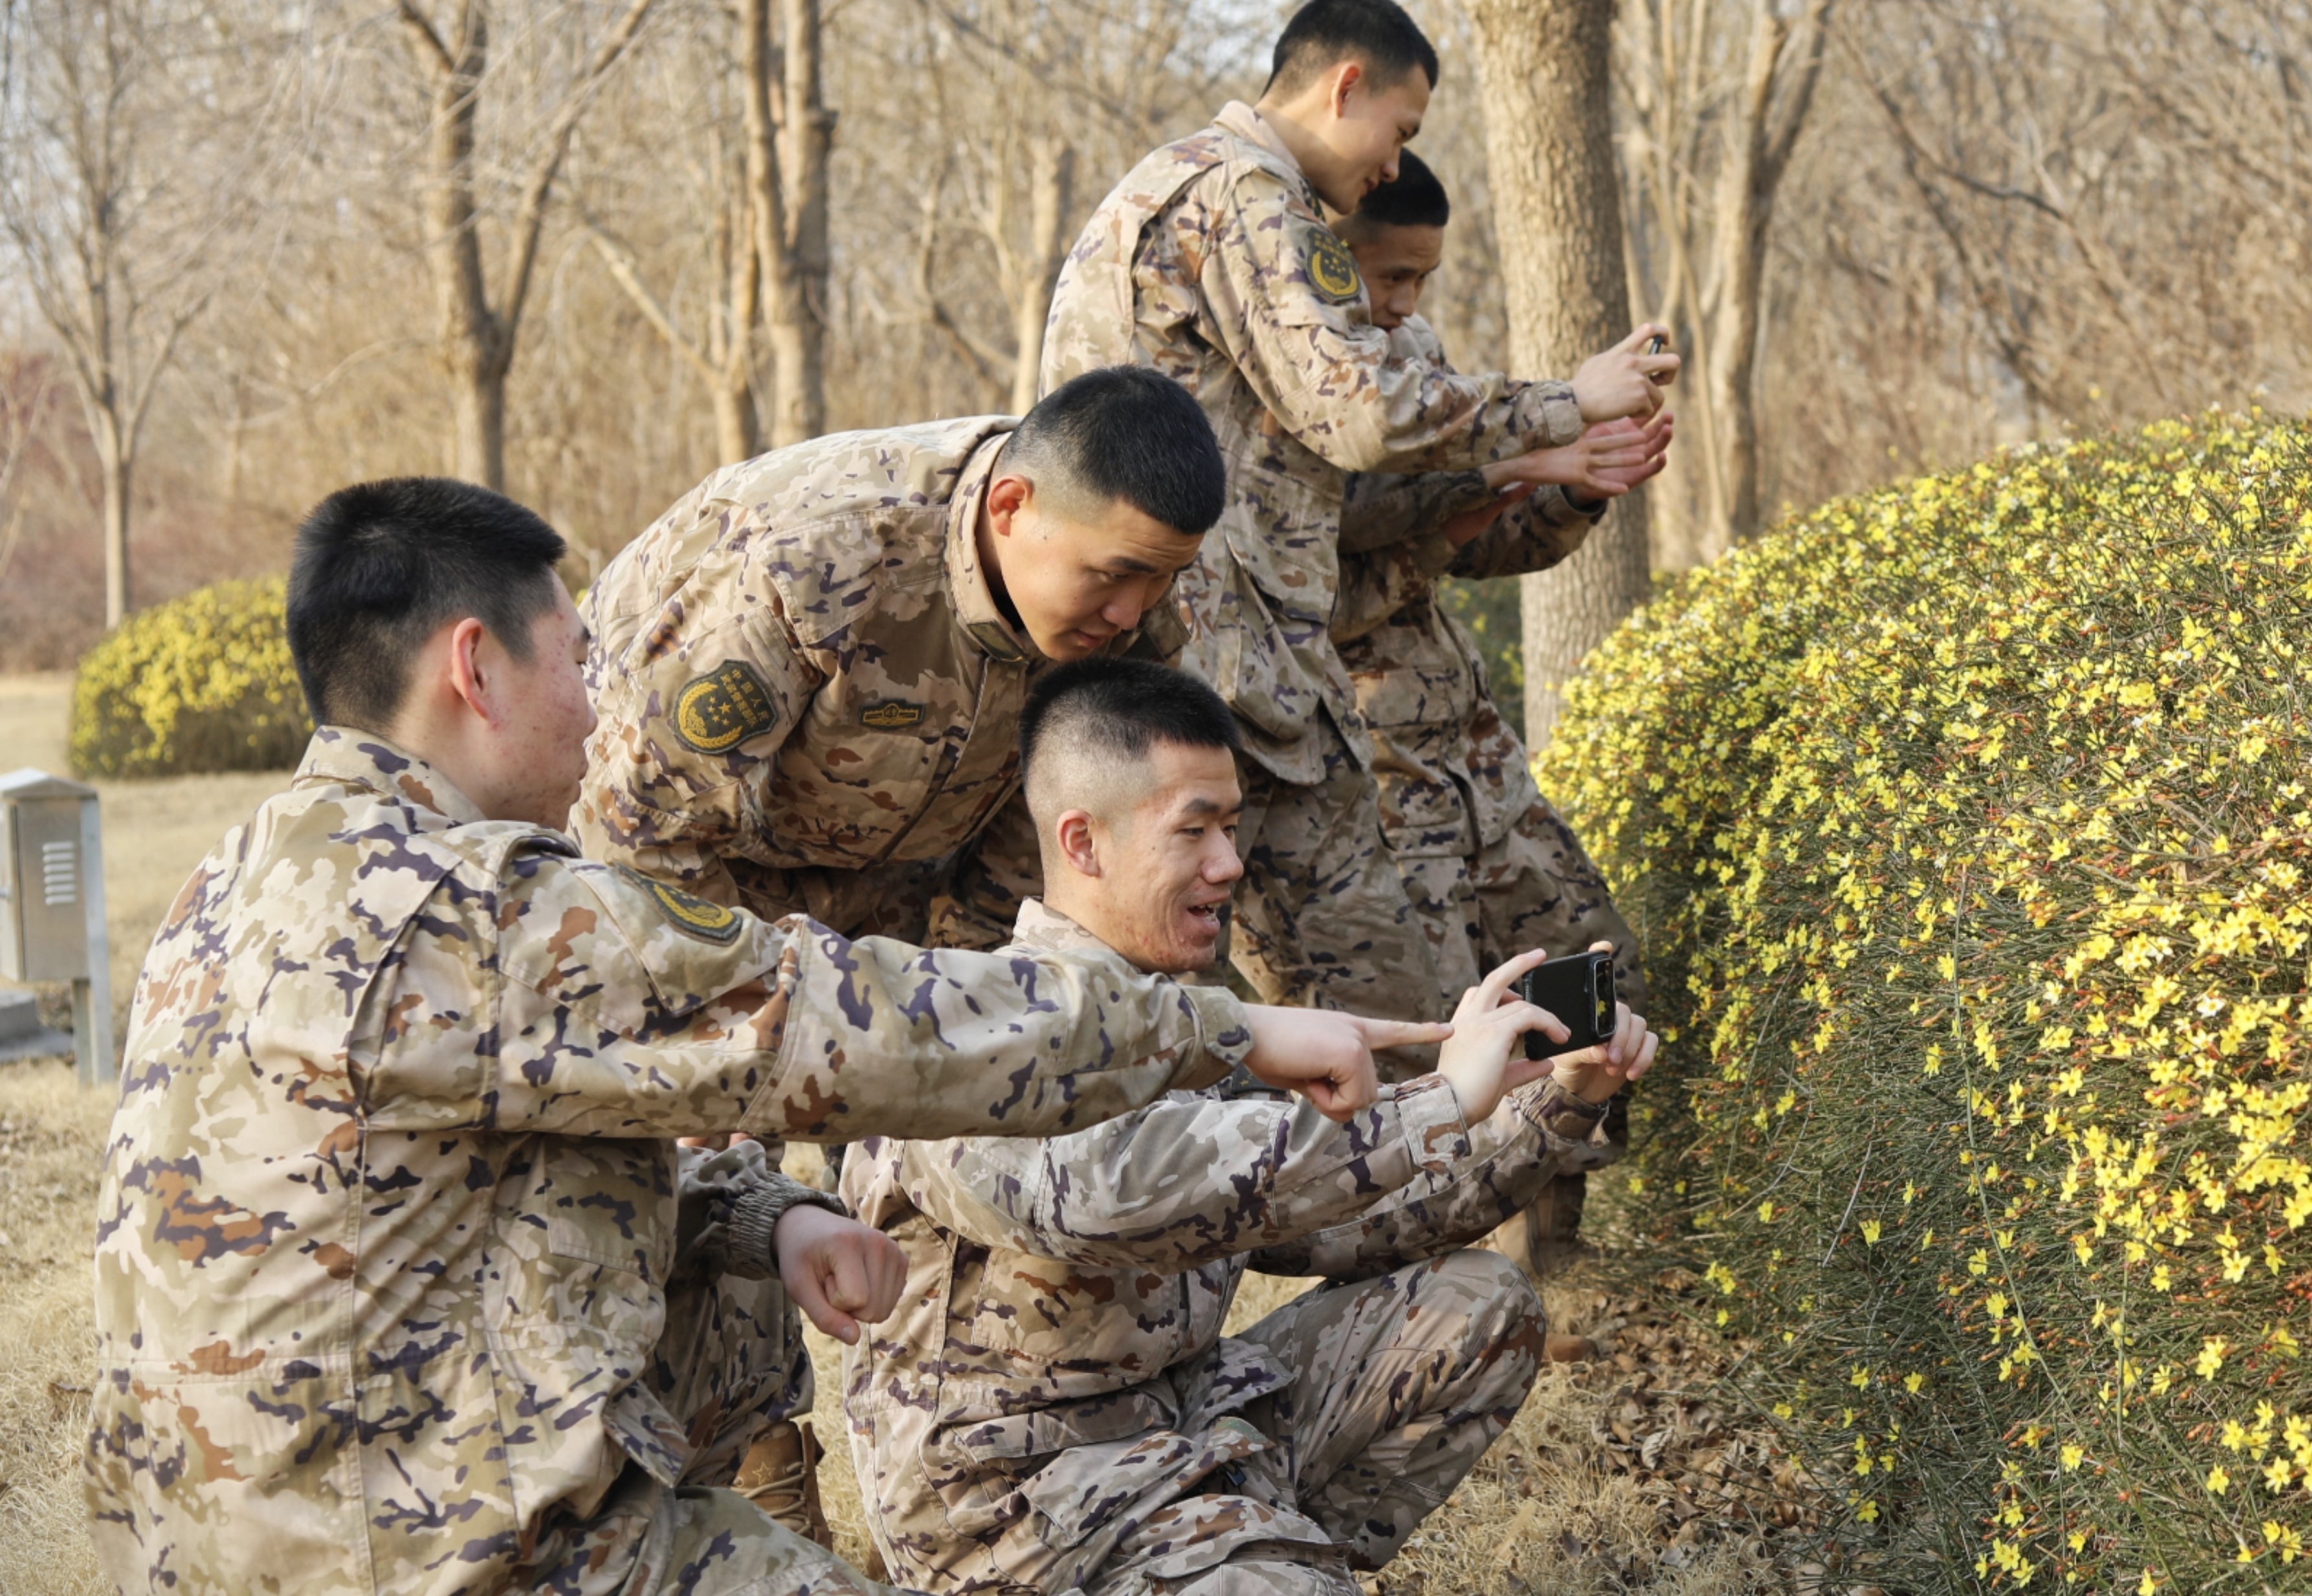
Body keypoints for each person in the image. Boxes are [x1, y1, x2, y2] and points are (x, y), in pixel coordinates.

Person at [85, 479, 1445, 1596]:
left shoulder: (249, 873)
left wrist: (765, 1218)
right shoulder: (471, 909)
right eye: (582, 658)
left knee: (721, 1222)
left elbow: (468, 1179)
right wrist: (1224, 1029)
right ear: (474, 668)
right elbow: (854, 1023)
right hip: (408, 1547)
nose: (603, 700)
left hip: (220, 1526)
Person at [839, 659, 1655, 1595]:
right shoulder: (972, 1030)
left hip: (1178, 1433)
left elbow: (1351, 1217)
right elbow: (1105, 1195)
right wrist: (1436, 1100)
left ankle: (1259, 1557)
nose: (1230, 864)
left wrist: (1558, 1096)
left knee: (1481, 1307)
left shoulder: (1201, 1020)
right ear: (1084, 841)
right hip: (1015, 1514)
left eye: (1232, 825)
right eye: (1195, 830)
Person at [1041, 0, 1675, 1033]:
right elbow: (1364, 418)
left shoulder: (1190, 190)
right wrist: (1562, 404)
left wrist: (1548, 473)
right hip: (1229, 677)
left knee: (1330, 1026)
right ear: (1346, 86)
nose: (1392, 163)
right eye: (1401, 128)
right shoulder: (1243, 193)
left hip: (1215, 676)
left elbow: (1339, 476)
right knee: (1394, 1031)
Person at [575, 366, 1222, 956]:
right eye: (1114, 576)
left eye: (1164, 577)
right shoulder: (809, 565)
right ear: (1010, 507)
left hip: (891, 888)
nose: (1131, 615)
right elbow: (641, 831)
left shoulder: (1141, 577)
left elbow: (1057, 823)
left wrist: (992, 993)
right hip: (687, 881)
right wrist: (769, 1005)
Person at [1326, 153, 1664, 1260]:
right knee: (1443, 1034)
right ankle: (1465, 1277)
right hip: (1368, 766)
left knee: (1584, 963)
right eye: (1387, 277)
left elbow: (1471, 538)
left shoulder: (1417, 361)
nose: (1404, 305)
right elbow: (1355, 522)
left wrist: (1573, 484)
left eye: (1422, 279)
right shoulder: (1300, 372)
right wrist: (1528, 445)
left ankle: (1555, 1251)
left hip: (1464, 744)